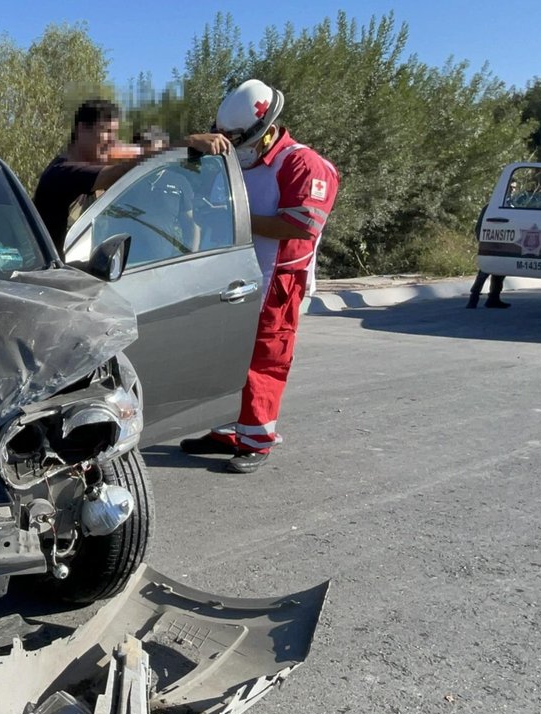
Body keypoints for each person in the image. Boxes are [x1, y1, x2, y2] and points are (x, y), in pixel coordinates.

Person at [178, 79, 339, 474]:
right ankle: (226, 429)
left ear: (266, 130)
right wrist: (192, 141)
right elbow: (181, 157)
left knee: (264, 357)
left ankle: (256, 439)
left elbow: (301, 226)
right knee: (226, 353)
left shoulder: (302, 164)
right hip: (235, 273)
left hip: (278, 278)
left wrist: (237, 223)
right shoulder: (237, 154)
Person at [32, 99, 228, 248]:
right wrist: (185, 143)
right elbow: (120, 171)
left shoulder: (81, 168)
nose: (112, 141)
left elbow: (132, 155)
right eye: (107, 131)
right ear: (82, 128)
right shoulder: (64, 173)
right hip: (52, 284)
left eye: (115, 134)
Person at [467, 204, 508, 309]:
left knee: (500, 272)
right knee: (484, 271)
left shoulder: (509, 207)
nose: (512, 190)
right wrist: (483, 241)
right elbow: (479, 227)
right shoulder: (490, 207)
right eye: (511, 187)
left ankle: (493, 298)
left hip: (504, 243)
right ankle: (473, 298)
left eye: (513, 188)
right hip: (490, 243)